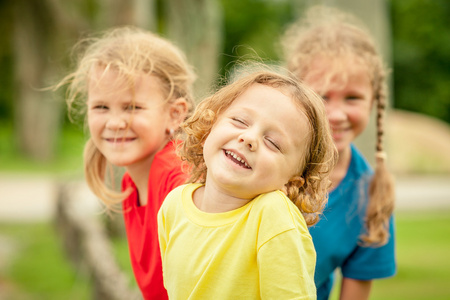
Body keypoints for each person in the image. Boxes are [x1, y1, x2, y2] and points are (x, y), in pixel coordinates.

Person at [157, 69, 338, 299]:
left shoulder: (272, 215)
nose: (249, 138)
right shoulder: (174, 205)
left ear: (291, 182)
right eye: (239, 121)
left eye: (272, 142)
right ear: (210, 124)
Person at [57, 27, 196, 299]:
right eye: (101, 107)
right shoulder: (130, 182)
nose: (115, 122)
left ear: (174, 114)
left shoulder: (177, 178)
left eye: (132, 107)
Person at [281, 5, 396, 300]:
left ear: (373, 102)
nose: (336, 114)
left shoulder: (372, 195)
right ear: (295, 96)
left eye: (353, 98)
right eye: (322, 96)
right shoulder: (261, 161)